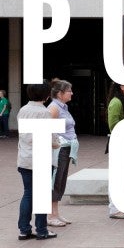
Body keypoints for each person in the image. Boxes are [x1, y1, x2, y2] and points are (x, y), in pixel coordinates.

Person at [17, 80, 58, 240]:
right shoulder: (45, 113)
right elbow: (52, 140)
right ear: (47, 95)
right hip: (40, 159)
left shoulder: (23, 110)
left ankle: (24, 229)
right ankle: (41, 230)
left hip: (25, 158)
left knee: (28, 194)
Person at [47, 80, 79, 227]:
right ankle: (51, 215)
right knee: (55, 180)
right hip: (58, 150)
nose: (71, 93)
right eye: (69, 91)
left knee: (60, 181)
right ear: (60, 94)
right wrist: (56, 145)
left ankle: (56, 213)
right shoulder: (54, 108)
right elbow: (49, 130)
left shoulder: (63, 108)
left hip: (66, 149)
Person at [106, 82, 124, 219]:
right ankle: (115, 208)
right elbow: (113, 124)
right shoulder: (116, 103)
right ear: (122, 86)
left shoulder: (122, 101)